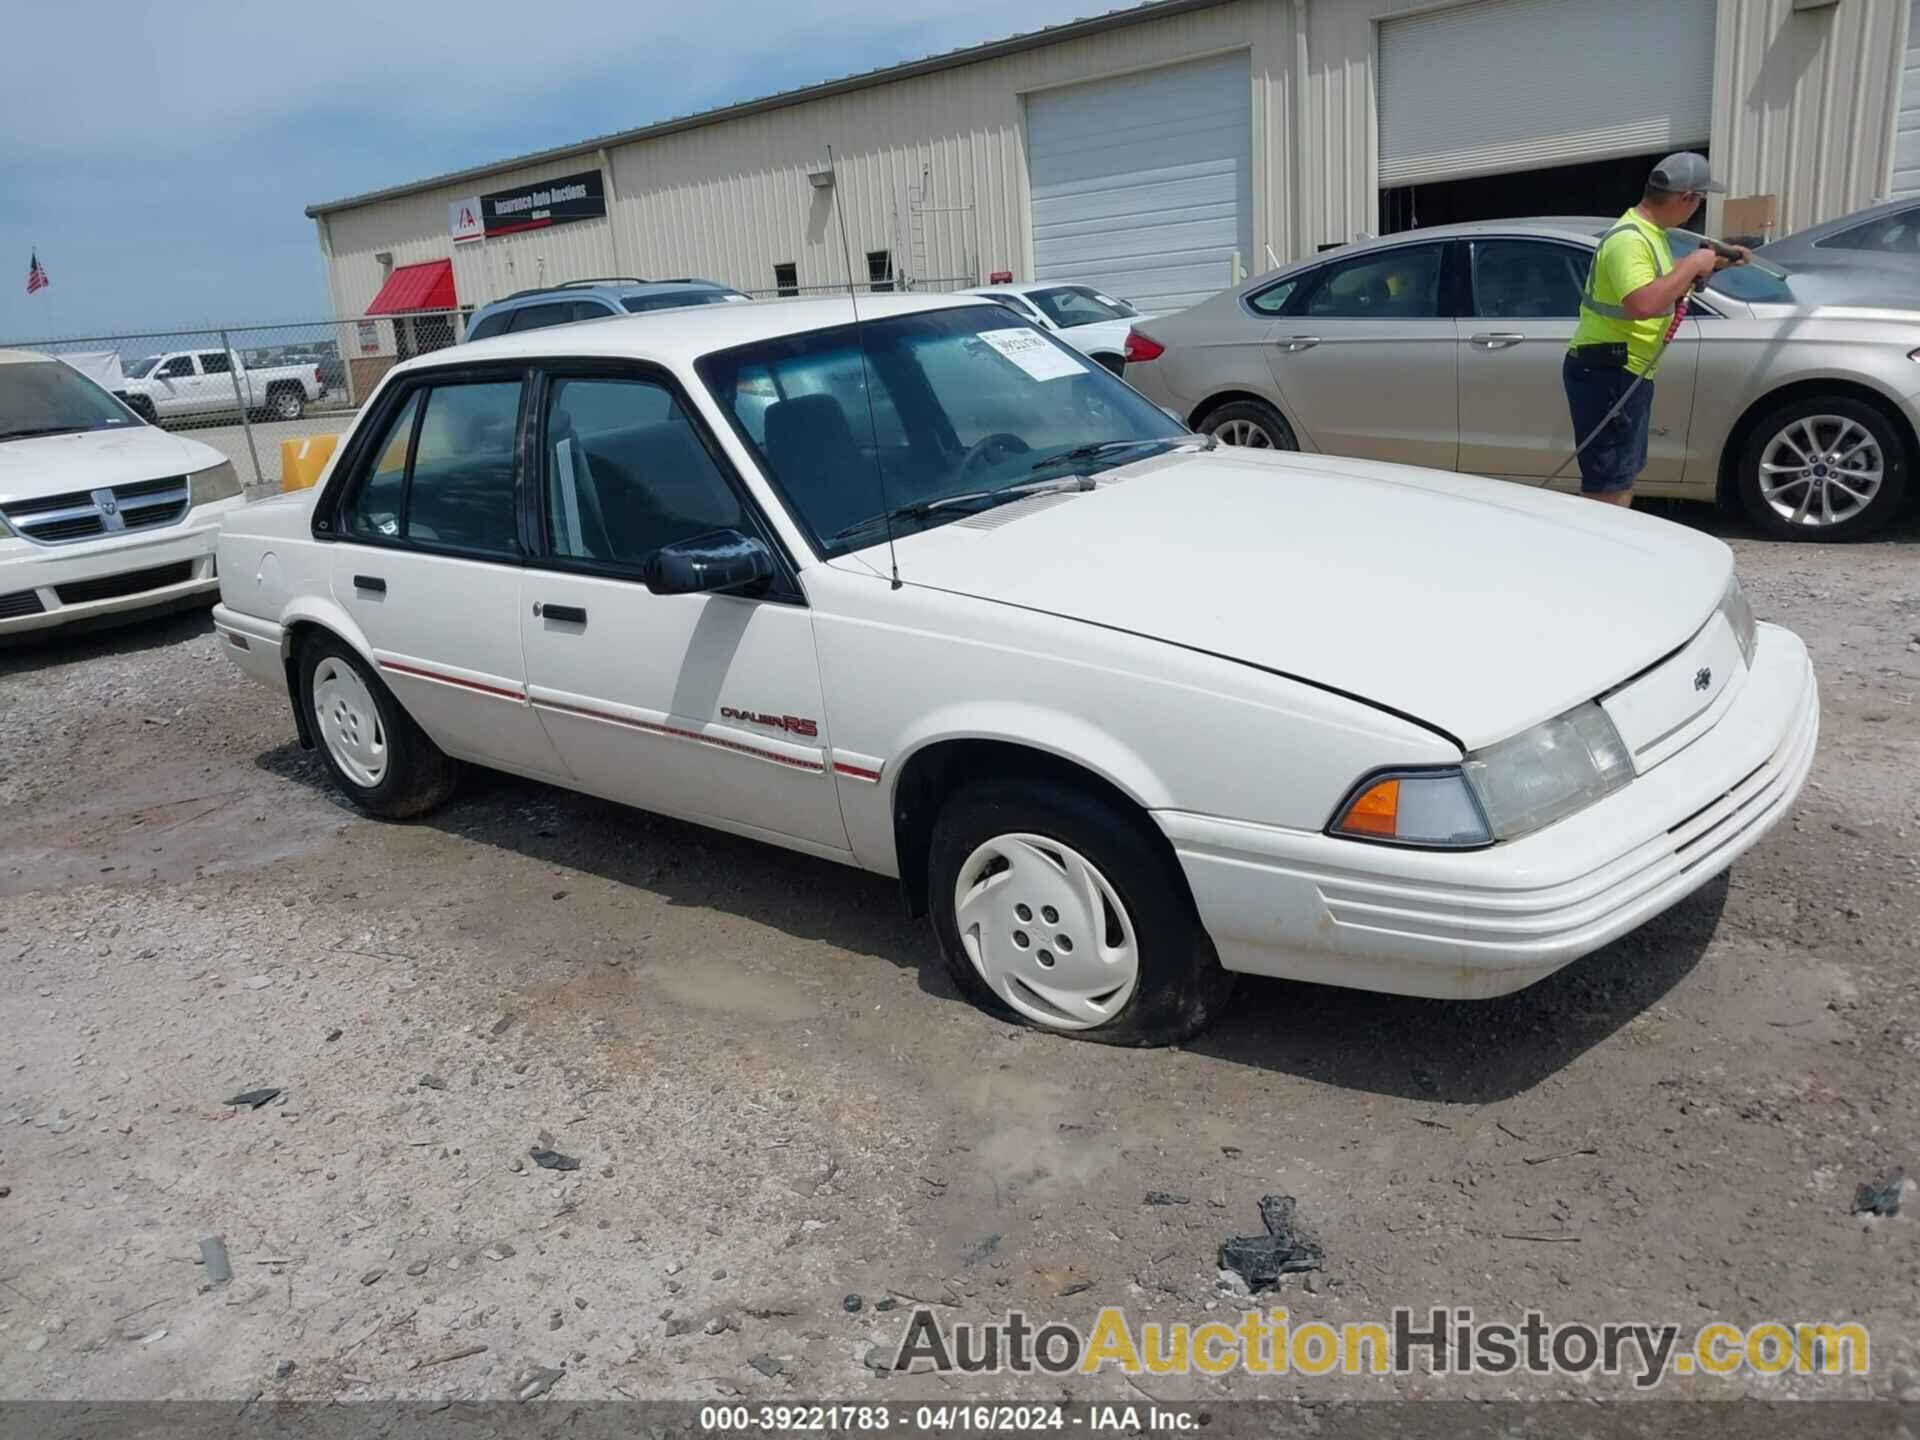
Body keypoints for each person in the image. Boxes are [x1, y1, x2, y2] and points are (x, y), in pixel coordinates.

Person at [1563, 152, 1748, 507]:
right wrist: (1693, 262)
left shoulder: (1650, 234)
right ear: (1687, 198)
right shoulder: (1629, 239)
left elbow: (1663, 286)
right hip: (1609, 370)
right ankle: (1599, 554)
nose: (1699, 209)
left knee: (1621, 473)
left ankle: (1614, 550)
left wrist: (1716, 264)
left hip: (1625, 370)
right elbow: (1643, 304)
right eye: (1701, 200)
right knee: (1607, 481)